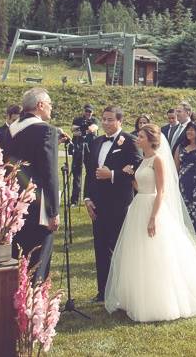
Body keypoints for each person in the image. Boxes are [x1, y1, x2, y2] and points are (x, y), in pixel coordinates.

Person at [104, 124, 196, 322]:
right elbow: (141, 185)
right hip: (138, 206)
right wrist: (130, 176)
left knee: (156, 252)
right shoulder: (143, 160)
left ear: (150, 139)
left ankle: (159, 300)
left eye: (141, 136)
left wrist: (153, 217)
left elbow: (161, 190)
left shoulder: (158, 159)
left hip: (153, 207)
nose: (138, 138)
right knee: (138, 251)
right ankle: (136, 296)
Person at [83, 105, 142, 302]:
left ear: (120, 121)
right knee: (100, 248)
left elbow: (138, 167)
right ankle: (103, 292)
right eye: (104, 119)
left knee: (119, 248)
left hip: (119, 202)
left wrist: (113, 174)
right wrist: (87, 198)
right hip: (98, 203)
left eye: (110, 119)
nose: (106, 123)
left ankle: (122, 292)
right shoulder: (97, 141)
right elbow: (90, 171)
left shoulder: (129, 141)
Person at [6, 88, 61, 281]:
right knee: (38, 262)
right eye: (50, 104)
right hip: (39, 206)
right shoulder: (47, 131)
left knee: (17, 257)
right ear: (40, 105)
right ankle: (34, 305)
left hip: (12, 203)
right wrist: (53, 211)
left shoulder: (8, 130)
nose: (51, 108)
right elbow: (50, 174)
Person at [175, 124, 196, 234]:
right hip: (183, 183)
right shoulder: (180, 147)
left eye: (192, 130)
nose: (189, 132)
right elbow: (175, 167)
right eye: (187, 130)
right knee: (183, 208)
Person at [69, 104, 99, 206]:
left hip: (90, 150)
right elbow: (73, 130)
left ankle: (89, 197)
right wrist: (82, 128)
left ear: (92, 112)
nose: (88, 113)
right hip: (78, 149)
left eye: (90, 112)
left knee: (90, 174)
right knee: (76, 175)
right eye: (86, 111)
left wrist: (83, 129)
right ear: (84, 111)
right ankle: (74, 200)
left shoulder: (94, 120)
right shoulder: (77, 119)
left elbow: (93, 128)